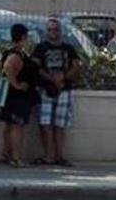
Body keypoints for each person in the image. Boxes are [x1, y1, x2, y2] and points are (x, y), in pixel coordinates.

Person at [31, 17, 81, 167]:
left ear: (60, 31)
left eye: (55, 29)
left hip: (64, 90)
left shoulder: (69, 48)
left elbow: (76, 66)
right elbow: (35, 67)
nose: (53, 32)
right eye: (50, 29)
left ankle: (59, 156)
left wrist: (63, 77)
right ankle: (48, 156)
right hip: (46, 90)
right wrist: (51, 79)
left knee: (60, 124)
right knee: (45, 124)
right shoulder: (40, 48)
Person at [0, 23, 37, 168]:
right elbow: (8, 68)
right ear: (23, 37)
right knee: (17, 127)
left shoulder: (12, 52)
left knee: (10, 126)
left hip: (12, 96)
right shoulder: (15, 54)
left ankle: (6, 154)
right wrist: (17, 85)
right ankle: (15, 158)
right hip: (17, 96)